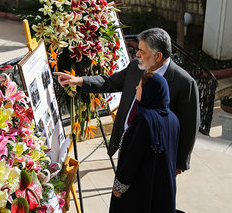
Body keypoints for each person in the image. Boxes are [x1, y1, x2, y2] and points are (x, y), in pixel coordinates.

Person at [54, 27, 199, 173]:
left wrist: (180, 163)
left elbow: (189, 127)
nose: (137, 54)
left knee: (148, 194)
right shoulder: (136, 67)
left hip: (157, 157)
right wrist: (79, 81)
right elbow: (110, 82)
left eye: (142, 52)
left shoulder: (185, 83)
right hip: (127, 145)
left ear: (158, 56)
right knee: (123, 190)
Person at [102, 71, 180, 213]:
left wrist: (120, 186)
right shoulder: (171, 118)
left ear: (151, 92)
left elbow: (133, 158)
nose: (136, 89)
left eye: (140, 86)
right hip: (162, 188)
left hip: (142, 190)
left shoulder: (144, 119)